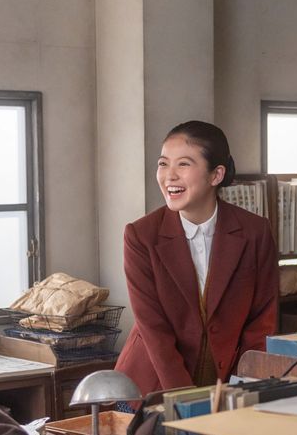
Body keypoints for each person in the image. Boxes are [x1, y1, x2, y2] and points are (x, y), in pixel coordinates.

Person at [115, 121, 279, 395]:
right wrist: (186, 399)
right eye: (163, 164)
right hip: (153, 387)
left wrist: (247, 387)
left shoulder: (255, 232)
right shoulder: (141, 236)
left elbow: (262, 320)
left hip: (227, 386)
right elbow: (153, 329)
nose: (169, 176)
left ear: (216, 175)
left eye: (183, 164)